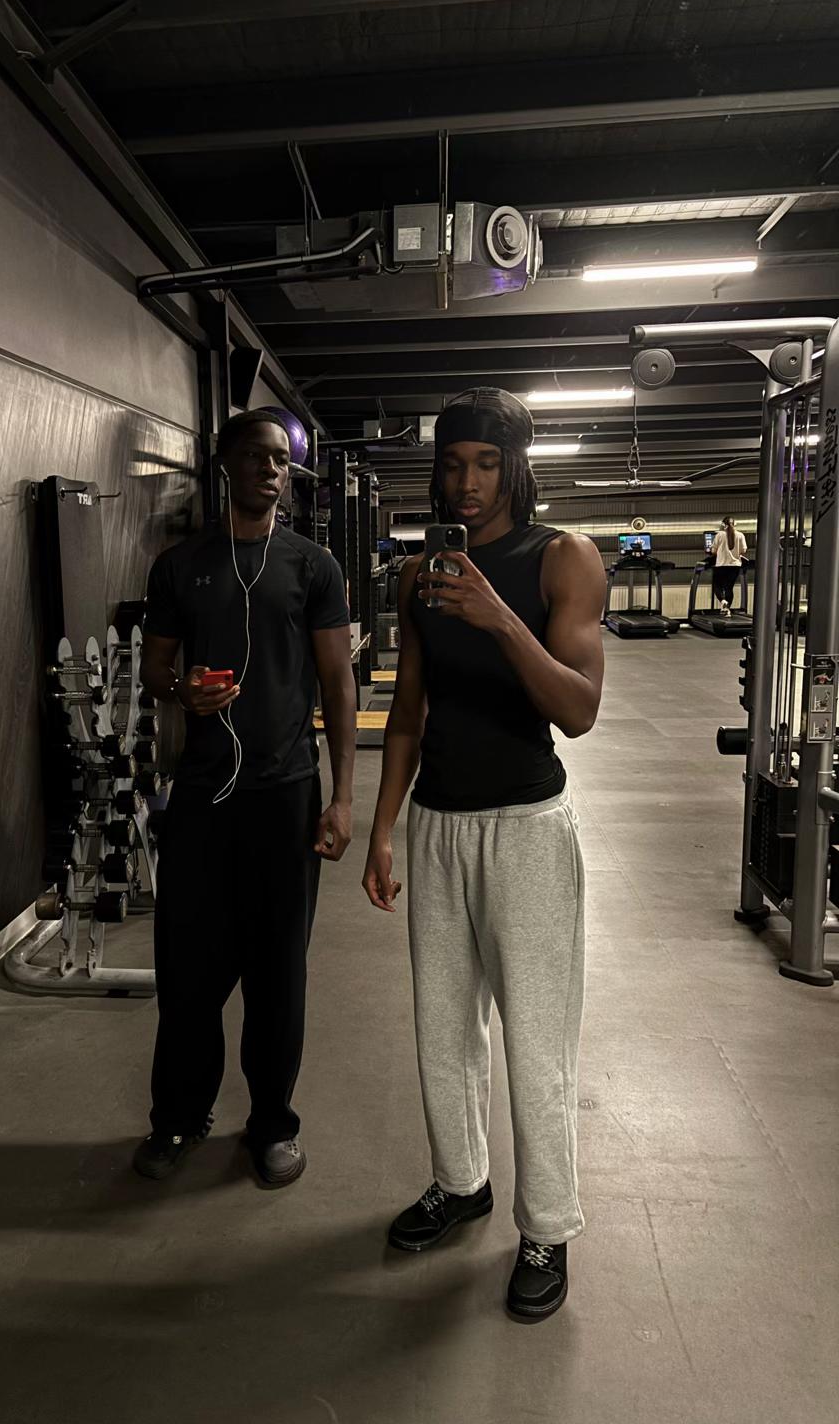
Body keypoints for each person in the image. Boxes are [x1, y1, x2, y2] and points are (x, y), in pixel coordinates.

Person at [361, 387, 606, 1321]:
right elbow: (407, 714)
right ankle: (461, 1182)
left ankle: (546, 1225)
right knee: (443, 1026)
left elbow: (578, 709)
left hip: (527, 828)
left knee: (537, 1038)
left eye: (487, 464)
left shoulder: (562, 558)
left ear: (517, 467)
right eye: (454, 463)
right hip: (439, 825)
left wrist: (499, 616)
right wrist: (384, 829)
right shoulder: (419, 575)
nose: (468, 482)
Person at [135, 410, 356, 1188]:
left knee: (278, 974)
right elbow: (155, 670)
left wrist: (343, 797)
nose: (273, 469)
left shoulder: (313, 566)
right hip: (202, 796)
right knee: (188, 972)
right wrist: (182, 690)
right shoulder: (180, 566)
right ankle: (178, 1117)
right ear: (225, 463)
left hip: (286, 794)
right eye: (258, 456)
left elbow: (338, 682)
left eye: (283, 461)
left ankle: (272, 1125)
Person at [711, 516, 748, 615]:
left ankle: (723, 601)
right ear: (735, 524)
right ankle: (727, 609)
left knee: (717, 586)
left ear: (723, 525)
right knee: (729, 588)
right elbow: (744, 550)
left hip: (721, 565)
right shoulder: (740, 535)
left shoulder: (719, 535)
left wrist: (719, 552)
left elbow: (713, 550)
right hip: (735, 566)